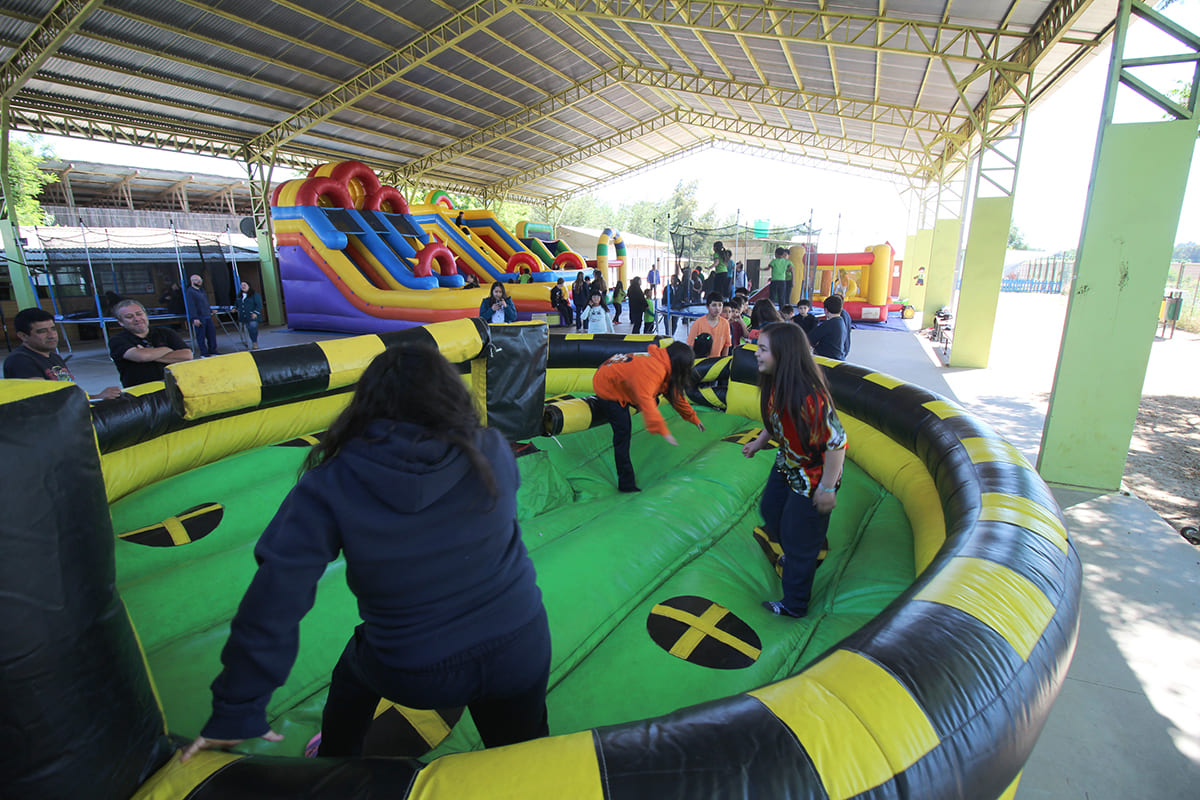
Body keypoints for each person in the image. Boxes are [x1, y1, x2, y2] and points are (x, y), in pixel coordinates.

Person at [180, 344, 551, 760]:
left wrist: (236, 709)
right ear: (452, 397)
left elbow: (276, 596)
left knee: (355, 670)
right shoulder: (492, 449)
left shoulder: (332, 482)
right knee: (524, 753)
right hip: (522, 647)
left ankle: (337, 758)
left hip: (415, 669)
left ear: (365, 405)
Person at [741, 323, 847, 618]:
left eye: (763, 349)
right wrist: (760, 442)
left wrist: (827, 488)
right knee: (771, 509)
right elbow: (775, 417)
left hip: (814, 475)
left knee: (799, 534)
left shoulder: (809, 397)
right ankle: (797, 549)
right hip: (788, 461)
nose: (756, 354)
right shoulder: (776, 382)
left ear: (783, 354)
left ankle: (795, 604)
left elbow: (837, 443)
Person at [592, 342, 705, 492]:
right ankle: (626, 483)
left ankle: (629, 399)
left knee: (655, 397)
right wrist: (663, 430)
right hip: (606, 386)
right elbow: (646, 400)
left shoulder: (663, 361)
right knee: (623, 431)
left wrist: (693, 418)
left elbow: (675, 395)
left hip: (618, 376)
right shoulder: (654, 370)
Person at [3, 308, 122, 400]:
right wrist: (96, 397)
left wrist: (96, 397)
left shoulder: (54, 357)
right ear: (23, 336)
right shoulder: (19, 361)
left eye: (53, 329)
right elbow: (44, 398)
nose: (51, 335)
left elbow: (69, 393)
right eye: (42, 331)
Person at [108, 299, 193, 388]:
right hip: (140, 392)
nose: (136, 319)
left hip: (173, 389)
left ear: (145, 315)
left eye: (139, 314)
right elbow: (141, 356)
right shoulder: (117, 340)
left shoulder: (166, 333)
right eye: (129, 316)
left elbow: (187, 356)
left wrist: (149, 354)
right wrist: (166, 349)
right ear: (120, 322)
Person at [686, 293, 732, 358]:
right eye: (714, 305)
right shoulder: (698, 323)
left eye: (720, 305)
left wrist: (723, 361)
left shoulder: (725, 323)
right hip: (700, 361)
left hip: (716, 361)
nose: (717, 308)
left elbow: (726, 345)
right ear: (707, 307)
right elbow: (691, 345)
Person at [185, 273, 219, 357]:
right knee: (201, 336)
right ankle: (204, 353)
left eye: (200, 280)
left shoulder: (202, 291)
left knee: (211, 334)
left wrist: (210, 310)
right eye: (197, 280)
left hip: (207, 315)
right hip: (199, 317)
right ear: (192, 281)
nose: (199, 282)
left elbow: (205, 303)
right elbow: (191, 305)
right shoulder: (190, 292)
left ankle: (213, 350)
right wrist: (194, 318)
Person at [808, 294, 851, 360]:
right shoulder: (842, 322)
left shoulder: (829, 324)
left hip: (828, 360)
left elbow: (810, 339)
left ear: (826, 310)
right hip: (839, 358)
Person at [235, 281, 263, 351]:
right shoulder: (239, 296)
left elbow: (259, 305)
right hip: (244, 316)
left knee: (252, 327)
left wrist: (255, 313)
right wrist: (234, 308)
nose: (243, 286)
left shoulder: (255, 295)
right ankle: (251, 341)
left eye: (244, 285)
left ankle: (254, 342)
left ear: (248, 286)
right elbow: (236, 304)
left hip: (252, 315)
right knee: (249, 329)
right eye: (242, 285)